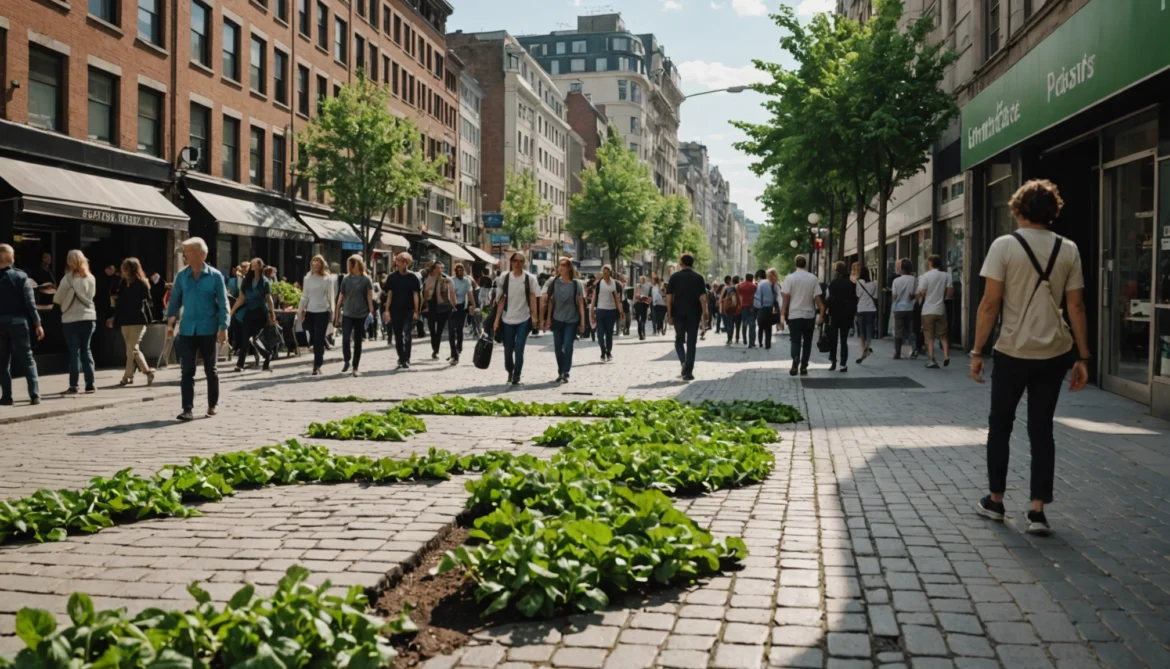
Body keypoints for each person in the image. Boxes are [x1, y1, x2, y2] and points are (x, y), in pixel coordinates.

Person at [971, 179, 1090, 536]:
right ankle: (1037, 511)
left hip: (1012, 350)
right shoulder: (1068, 249)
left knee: (1001, 426)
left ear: (1018, 210)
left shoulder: (1004, 246)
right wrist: (1082, 357)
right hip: (1054, 351)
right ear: (1053, 211)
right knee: (1042, 429)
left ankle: (995, 500)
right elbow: (1076, 306)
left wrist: (977, 351)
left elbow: (990, 303)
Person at [166, 238, 229, 421]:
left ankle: (212, 404)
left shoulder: (215, 276)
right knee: (187, 370)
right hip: (187, 329)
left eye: (188, 252)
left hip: (208, 328)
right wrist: (170, 322)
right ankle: (187, 409)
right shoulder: (181, 275)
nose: (185, 256)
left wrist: (223, 327)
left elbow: (224, 304)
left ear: (200, 254)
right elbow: (175, 300)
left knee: (211, 369)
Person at [0, 244, 43, 406]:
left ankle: (6, 396)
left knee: (3, 362)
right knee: (27, 358)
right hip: (19, 322)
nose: (14, 257)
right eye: (12, 254)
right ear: (6, 257)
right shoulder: (20, 277)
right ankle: (34, 394)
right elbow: (30, 303)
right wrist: (37, 323)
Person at [53, 250, 98, 394]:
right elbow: (92, 296)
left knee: (74, 352)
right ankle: (90, 384)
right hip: (88, 317)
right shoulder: (91, 278)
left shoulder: (67, 279)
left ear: (69, 262)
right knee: (87, 349)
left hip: (71, 319)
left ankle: (73, 385)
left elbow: (58, 298)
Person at [493, 252, 540, 386]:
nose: (517, 263)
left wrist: (534, 317)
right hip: (507, 319)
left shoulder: (529, 278)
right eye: (515, 261)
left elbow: (532, 297)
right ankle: (510, 370)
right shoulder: (504, 278)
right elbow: (501, 299)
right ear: (511, 262)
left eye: (520, 261)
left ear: (523, 263)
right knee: (508, 350)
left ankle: (516, 377)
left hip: (524, 319)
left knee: (519, 348)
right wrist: (497, 320)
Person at [108, 257, 155, 386]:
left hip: (138, 320)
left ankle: (132, 375)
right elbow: (120, 301)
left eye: (125, 269)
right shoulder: (122, 283)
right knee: (130, 350)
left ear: (132, 270)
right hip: (125, 320)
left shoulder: (141, 284)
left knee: (132, 349)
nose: (122, 271)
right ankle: (134, 375)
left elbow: (148, 301)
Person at [542, 258, 586, 384]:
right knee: (557, 348)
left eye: (564, 266)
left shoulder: (576, 284)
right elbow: (550, 302)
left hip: (572, 320)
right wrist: (548, 319)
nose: (561, 268)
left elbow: (581, 304)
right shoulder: (554, 282)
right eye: (559, 265)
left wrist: (582, 322)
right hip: (557, 319)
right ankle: (560, 371)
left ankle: (566, 371)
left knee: (568, 346)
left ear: (569, 268)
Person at [230, 259, 277, 372]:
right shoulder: (247, 280)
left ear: (260, 267)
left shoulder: (265, 281)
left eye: (256, 264)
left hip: (261, 313)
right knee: (246, 338)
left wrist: (272, 313)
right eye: (252, 264)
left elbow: (268, 298)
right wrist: (231, 312)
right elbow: (241, 298)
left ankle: (267, 355)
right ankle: (240, 365)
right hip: (248, 312)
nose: (253, 266)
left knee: (255, 338)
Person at [667, 252, 708, 382]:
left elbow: (669, 298)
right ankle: (688, 372)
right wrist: (705, 313)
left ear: (681, 263)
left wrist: (669, 314)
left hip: (678, 313)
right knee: (691, 343)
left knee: (679, 340)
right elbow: (703, 298)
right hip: (694, 313)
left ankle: (684, 362)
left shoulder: (674, 277)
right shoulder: (699, 278)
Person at [781, 255, 824, 377]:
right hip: (809, 315)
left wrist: (783, 314)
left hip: (794, 314)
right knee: (807, 341)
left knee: (795, 340)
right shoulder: (813, 278)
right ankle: (804, 365)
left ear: (796, 264)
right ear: (805, 264)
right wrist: (821, 313)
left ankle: (795, 358)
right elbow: (817, 297)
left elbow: (786, 298)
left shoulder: (790, 278)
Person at [336, 254, 374, 377]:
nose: (351, 265)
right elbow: (341, 296)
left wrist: (371, 311)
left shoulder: (366, 280)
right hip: (347, 313)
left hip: (361, 314)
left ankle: (355, 366)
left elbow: (369, 296)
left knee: (358, 341)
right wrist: (337, 313)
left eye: (353, 263)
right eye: (350, 263)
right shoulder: (346, 279)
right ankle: (347, 359)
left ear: (359, 264)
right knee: (345, 338)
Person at [298, 255, 334, 376]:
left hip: (323, 311)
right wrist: (300, 310)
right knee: (313, 338)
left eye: (318, 262)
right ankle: (320, 354)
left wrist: (332, 310)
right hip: (310, 311)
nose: (315, 264)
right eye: (313, 261)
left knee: (319, 339)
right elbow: (304, 296)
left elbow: (330, 296)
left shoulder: (327, 278)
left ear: (321, 264)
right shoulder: (307, 278)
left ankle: (317, 365)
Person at [383, 252, 421, 369]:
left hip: (408, 310)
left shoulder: (412, 277)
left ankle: (407, 358)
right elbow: (389, 294)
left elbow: (416, 294)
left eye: (401, 261)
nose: (398, 263)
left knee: (407, 335)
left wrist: (416, 310)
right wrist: (387, 310)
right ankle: (401, 356)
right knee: (398, 335)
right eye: (397, 261)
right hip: (395, 310)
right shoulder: (392, 277)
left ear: (406, 263)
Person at [917, 254, 954, 369]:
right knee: (943, 336)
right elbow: (950, 292)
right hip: (941, 309)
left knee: (929, 337)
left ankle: (932, 360)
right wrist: (942, 297)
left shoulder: (925, 276)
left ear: (930, 264)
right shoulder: (946, 276)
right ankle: (946, 356)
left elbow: (922, 292)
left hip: (927, 310)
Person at [825, 261, 858, 373]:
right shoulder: (851, 283)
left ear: (837, 271)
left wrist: (826, 309)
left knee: (833, 339)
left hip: (835, 314)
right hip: (847, 315)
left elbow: (829, 298)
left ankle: (833, 362)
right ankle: (843, 364)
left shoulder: (833, 283)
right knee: (844, 341)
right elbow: (854, 300)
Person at [421, 261, 457, 363]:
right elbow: (426, 295)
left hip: (443, 307)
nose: (439, 270)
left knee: (439, 330)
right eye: (437, 268)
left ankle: (436, 351)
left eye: (441, 268)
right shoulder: (428, 279)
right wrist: (428, 295)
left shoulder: (447, 279)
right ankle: (434, 348)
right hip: (432, 307)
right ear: (433, 269)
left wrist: (454, 305)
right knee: (432, 330)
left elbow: (452, 293)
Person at [590, 265, 623, 362]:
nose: (605, 275)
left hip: (611, 311)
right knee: (600, 334)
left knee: (609, 333)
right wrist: (592, 310)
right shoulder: (599, 283)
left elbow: (617, 299)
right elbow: (594, 298)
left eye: (607, 273)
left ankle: (608, 351)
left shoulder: (615, 284)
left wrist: (620, 311)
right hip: (601, 310)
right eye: (603, 273)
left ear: (610, 273)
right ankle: (603, 351)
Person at [891, 259, 919, 359]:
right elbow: (917, 293)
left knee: (898, 331)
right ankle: (914, 348)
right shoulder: (914, 279)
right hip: (910, 308)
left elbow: (894, 295)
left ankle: (897, 353)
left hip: (898, 308)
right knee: (910, 330)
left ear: (901, 269)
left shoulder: (896, 281)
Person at [450, 264, 475, 364]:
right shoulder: (451, 280)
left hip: (461, 307)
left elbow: (469, 294)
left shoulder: (466, 281)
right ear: (455, 271)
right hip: (452, 307)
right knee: (451, 331)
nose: (460, 272)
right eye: (458, 270)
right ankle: (454, 354)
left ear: (463, 271)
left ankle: (459, 347)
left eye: (461, 270)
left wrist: (473, 305)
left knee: (459, 329)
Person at [854, 267, 878, 365]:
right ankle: (867, 347)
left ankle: (863, 350)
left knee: (862, 332)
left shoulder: (859, 283)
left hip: (861, 309)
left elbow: (857, 295)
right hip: (871, 309)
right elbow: (876, 297)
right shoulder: (873, 284)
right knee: (869, 330)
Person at [754, 268, 780, 351]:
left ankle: (760, 343)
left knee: (761, 326)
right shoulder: (772, 283)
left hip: (762, 307)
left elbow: (758, 296)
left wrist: (758, 306)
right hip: (770, 308)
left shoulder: (761, 284)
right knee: (768, 327)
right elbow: (775, 295)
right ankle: (768, 344)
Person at [737, 273, 758, 348]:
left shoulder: (740, 286)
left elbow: (738, 296)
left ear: (746, 278)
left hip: (743, 307)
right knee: (752, 325)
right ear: (752, 278)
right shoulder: (754, 286)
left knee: (744, 323)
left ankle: (745, 339)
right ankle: (751, 342)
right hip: (752, 307)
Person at [720, 277, 740, 345]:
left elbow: (724, 298)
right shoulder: (738, 288)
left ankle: (729, 338)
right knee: (737, 324)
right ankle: (737, 338)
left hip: (730, 309)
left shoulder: (729, 288)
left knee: (730, 325)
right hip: (737, 309)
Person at [634, 273, 653, 340]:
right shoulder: (649, 286)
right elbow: (650, 296)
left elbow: (636, 295)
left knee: (639, 320)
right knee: (643, 319)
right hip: (644, 304)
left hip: (638, 304)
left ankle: (641, 334)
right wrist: (648, 300)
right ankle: (642, 334)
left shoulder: (638, 285)